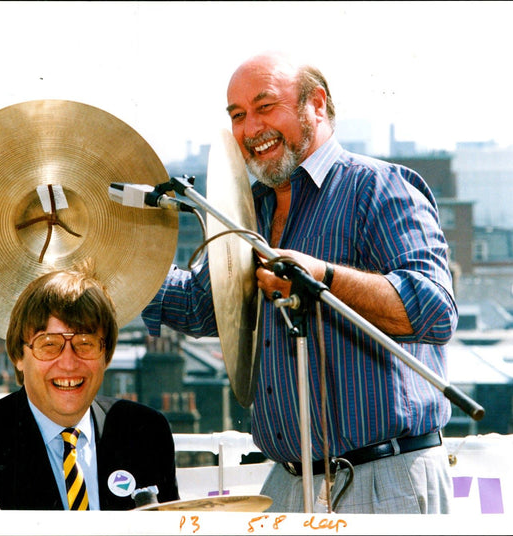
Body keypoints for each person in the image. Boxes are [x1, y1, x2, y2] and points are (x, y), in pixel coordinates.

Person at [142, 52, 457, 514]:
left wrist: (322, 277)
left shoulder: (380, 187)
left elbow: (433, 309)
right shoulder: (251, 211)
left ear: (317, 104)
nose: (251, 129)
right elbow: (200, 306)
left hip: (384, 479)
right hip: (290, 484)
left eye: (265, 107)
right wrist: (113, 267)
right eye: (237, 116)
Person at [0, 267, 179, 510]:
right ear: (19, 356)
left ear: (106, 355)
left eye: (85, 343)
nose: (68, 363)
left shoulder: (146, 433)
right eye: (49, 344)